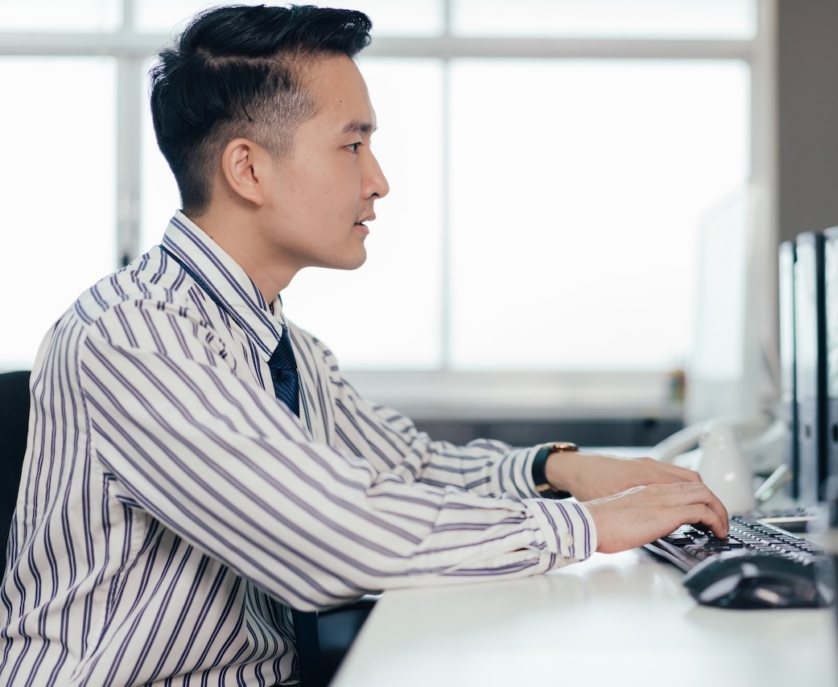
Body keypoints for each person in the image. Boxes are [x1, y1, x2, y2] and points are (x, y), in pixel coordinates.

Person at [0, 5, 728, 686]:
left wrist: (566, 470)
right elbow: (329, 535)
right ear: (248, 169)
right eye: (353, 145)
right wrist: (591, 526)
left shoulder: (284, 347)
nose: (378, 182)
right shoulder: (133, 338)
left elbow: (411, 470)